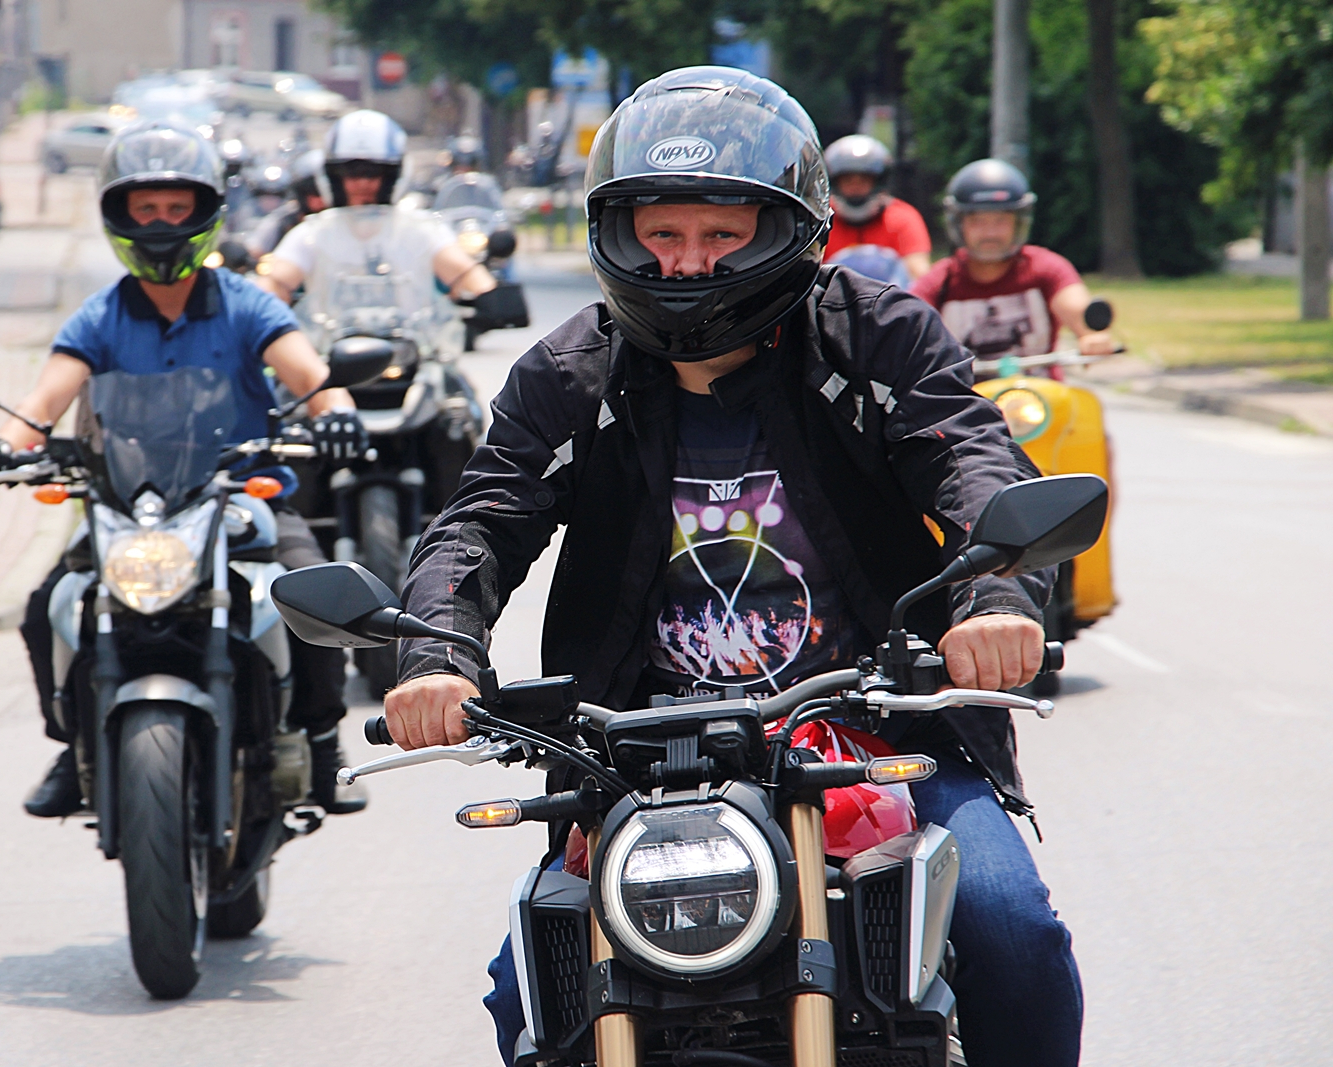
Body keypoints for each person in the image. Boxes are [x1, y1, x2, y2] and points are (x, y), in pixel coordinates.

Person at [381, 67, 1083, 1067]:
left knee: (1012, 931)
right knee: (529, 987)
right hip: (636, 757)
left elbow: (972, 459)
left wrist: (994, 597)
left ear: (789, 230)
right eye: (661, 234)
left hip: (878, 729)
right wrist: (436, 659)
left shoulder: (875, 338)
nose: (687, 263)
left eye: (723, 233)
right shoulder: (569, 375)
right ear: (619, 233)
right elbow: (478, 523)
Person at [0, 121, 371, 819]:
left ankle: (325, 743)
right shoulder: (99, 315)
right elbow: (44, 400)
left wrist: (336, 412)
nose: (160, 224)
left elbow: (312, 376)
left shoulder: (247, 303)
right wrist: (6, 443)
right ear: (118, 216)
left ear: (205, 212)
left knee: (314, 592)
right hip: (129, 502)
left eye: (177, 208)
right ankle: (73, 741)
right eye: (145, 208)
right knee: (47, 606)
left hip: (242, 495)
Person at [262, 110, 498, 312]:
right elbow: (276, 282)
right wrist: (264, 302)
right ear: (333, 177)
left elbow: (465, 273)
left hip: (415, 345)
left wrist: (490, 297)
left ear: (393, 176)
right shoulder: (313, 233)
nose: (363, 183)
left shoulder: (420, 230)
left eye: (374, 172)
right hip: (327, 348)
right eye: (351, 172)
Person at [911, 158, 1114, 360]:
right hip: (964, 382)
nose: (990, 233)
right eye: (977, 221)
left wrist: (1091, 335)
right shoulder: (939, 282)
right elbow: (909, 325)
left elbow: (1077, 310)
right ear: (958, 224)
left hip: (1040, 381)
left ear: (1018, 222)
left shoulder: (1046, 268)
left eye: (1001, 220)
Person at [821, 134, 931, 282]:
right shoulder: (821, 220)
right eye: (848, 180)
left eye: (864, 180)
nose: (856, 187)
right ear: (834, 183)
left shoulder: (902, 218)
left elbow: (919, 275)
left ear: (879, 182)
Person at [243, 148, 328, 257]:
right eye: (311, 192)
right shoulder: (283, 220)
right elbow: (256, 249)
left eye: (325, 193)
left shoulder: (346, 223)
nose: (318, 201)